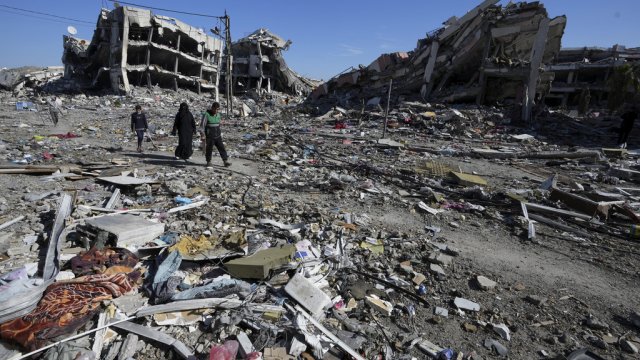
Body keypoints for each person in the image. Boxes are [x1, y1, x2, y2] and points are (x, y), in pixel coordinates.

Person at [200, 102, 231, 168]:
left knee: (221, 148)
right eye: (215, 109)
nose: (216, 111)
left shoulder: (218, 115)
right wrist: (202, 134)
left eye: (218, 109)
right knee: (209, 149)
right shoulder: (206, 115)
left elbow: (218, 124)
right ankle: (209, 161)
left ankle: (225, 161)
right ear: (212, 108)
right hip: (210, 136)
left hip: (218, 136)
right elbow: (202, 126)